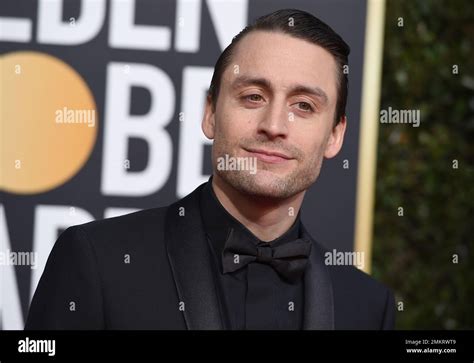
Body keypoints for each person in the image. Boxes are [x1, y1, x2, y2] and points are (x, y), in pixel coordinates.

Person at [25, 9, 395, 330]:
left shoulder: (367, 307)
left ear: (335, 135)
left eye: (303, 105)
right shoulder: (97, 261)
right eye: (253, 96)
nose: (274, 124)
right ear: (210, 113)